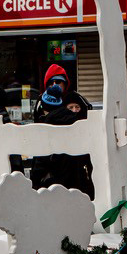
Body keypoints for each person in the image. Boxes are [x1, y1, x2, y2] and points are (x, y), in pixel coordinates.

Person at [31, 64, 94, 198]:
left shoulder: (74, 99)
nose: (55, 85)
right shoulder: (40, 102)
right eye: (51, 82)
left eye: (58, 82)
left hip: (73, 164)